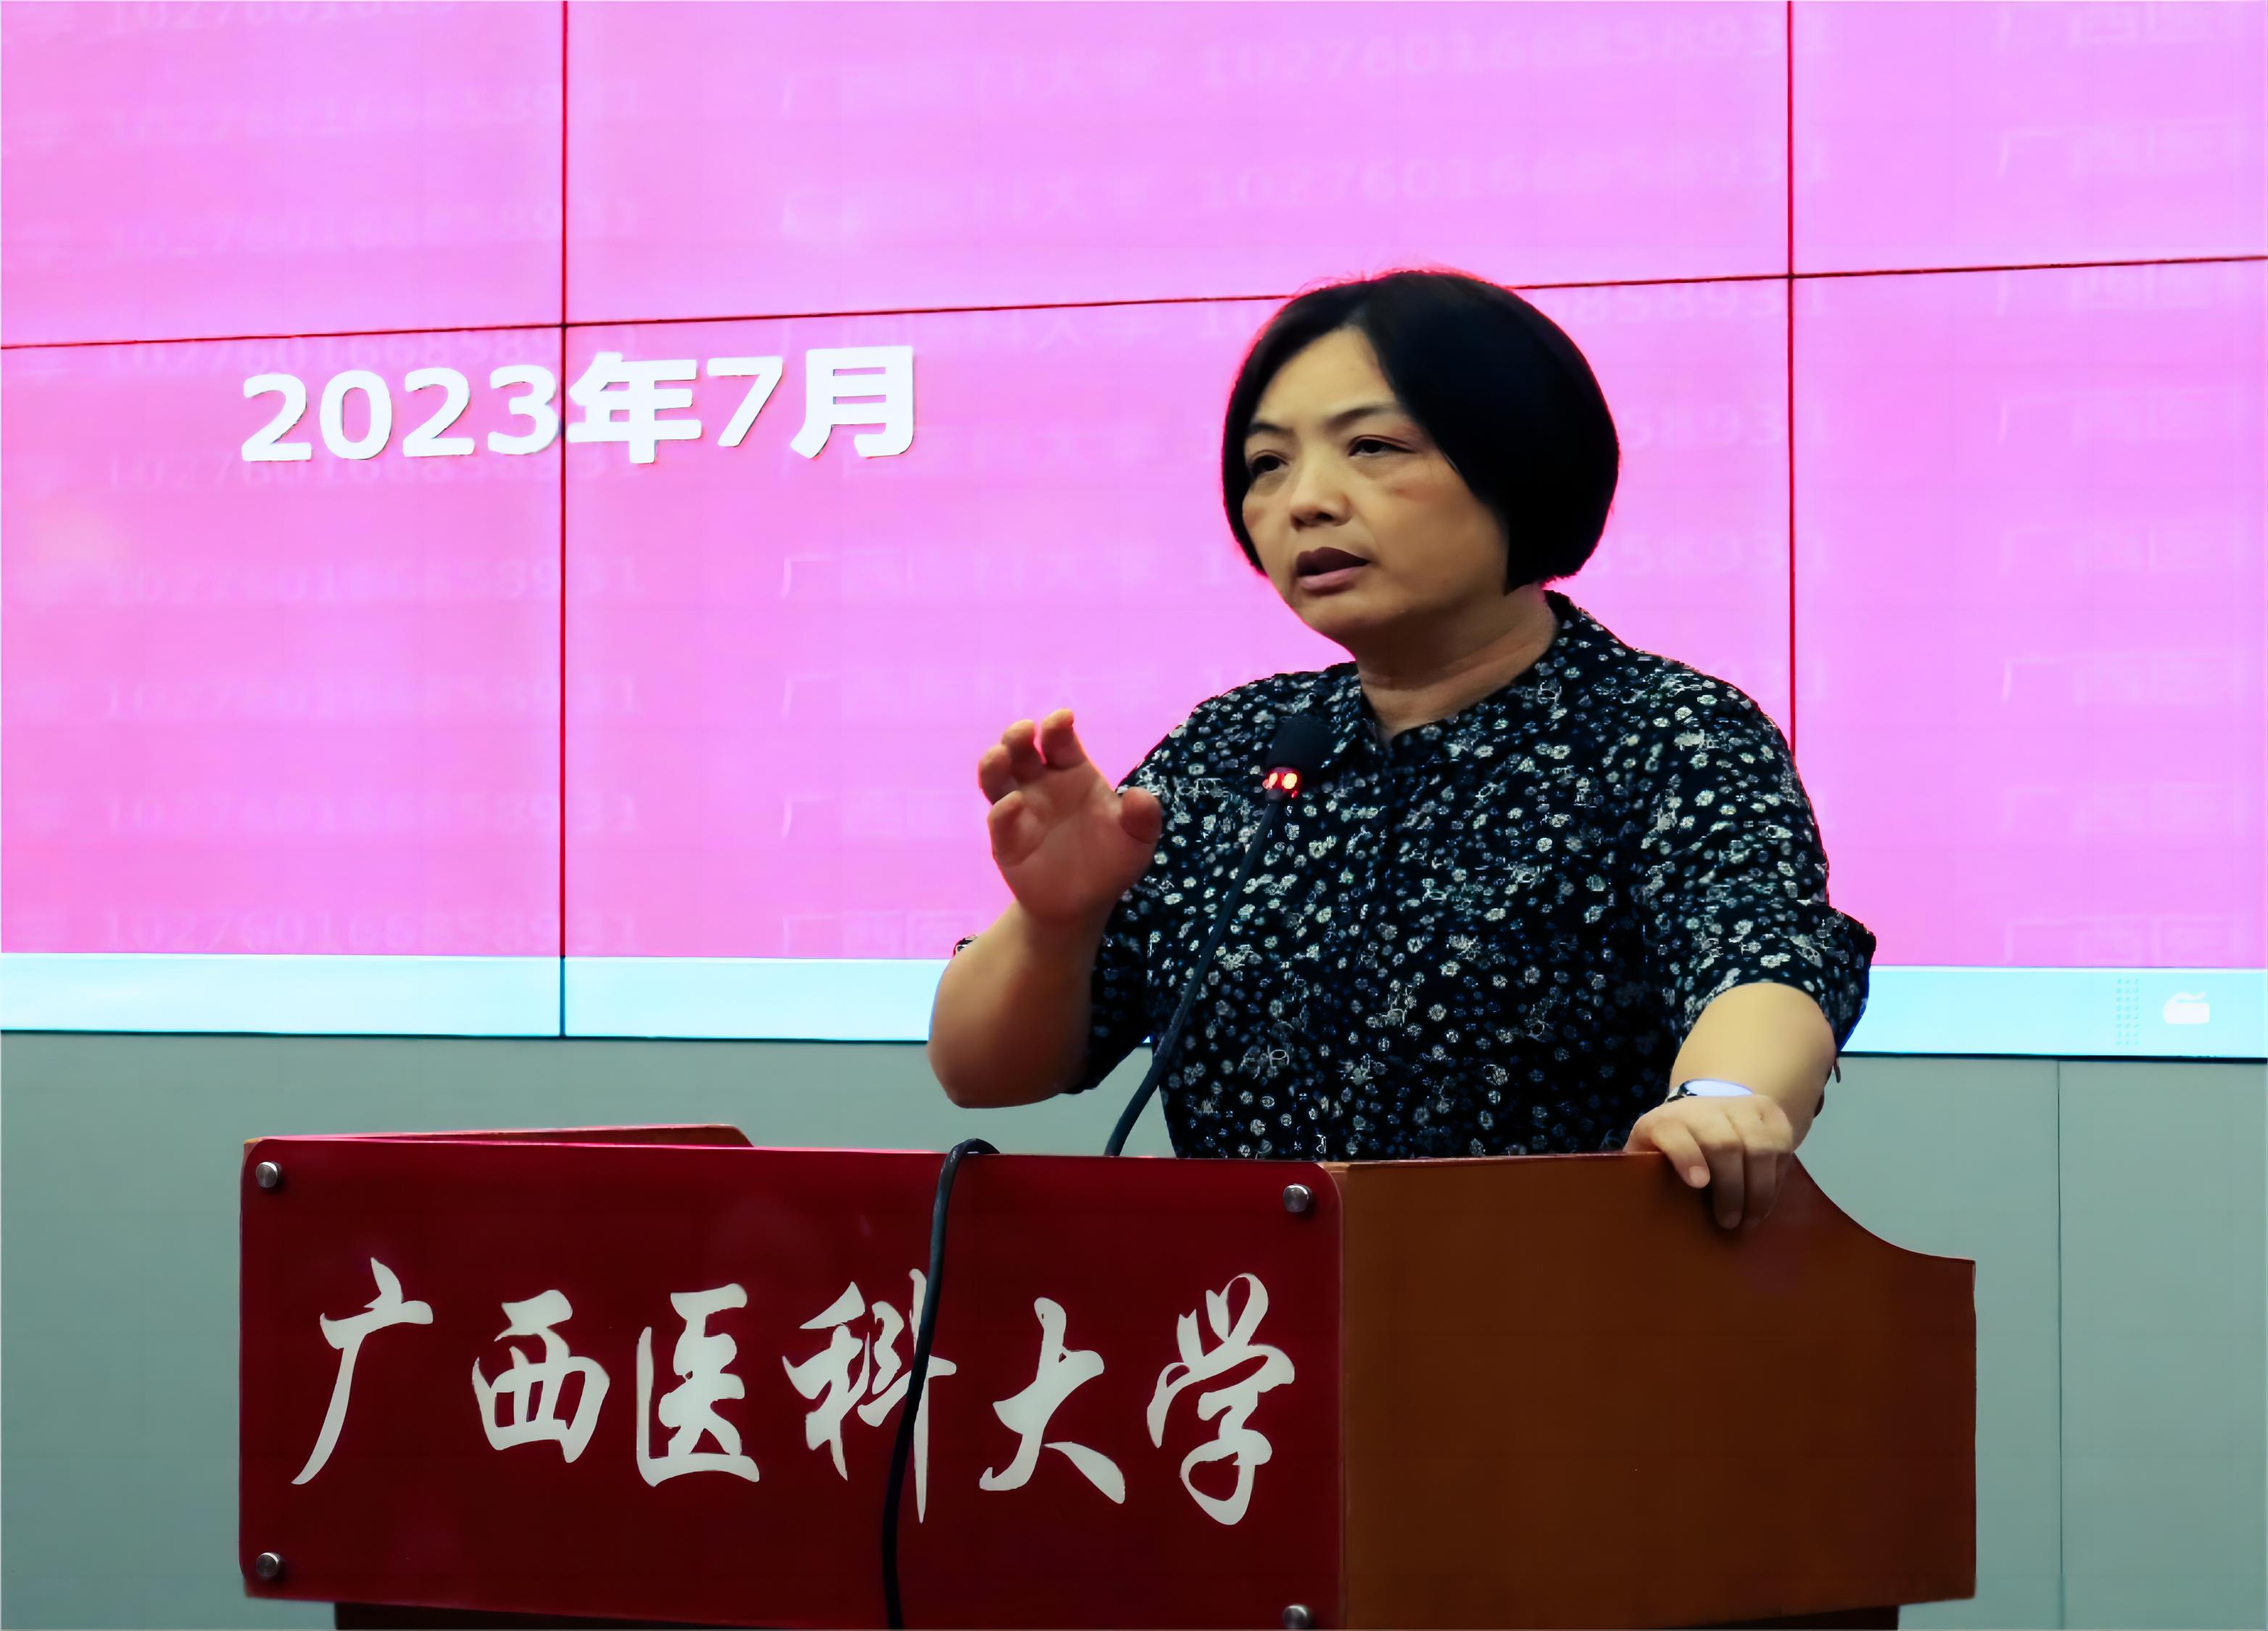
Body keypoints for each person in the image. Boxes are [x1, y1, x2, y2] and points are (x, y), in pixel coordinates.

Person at [926, 268, 1876, 1230]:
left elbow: (1760, 961)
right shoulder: (1234, 747)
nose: (1305, 502)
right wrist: (1056, 922)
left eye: (1373, 447)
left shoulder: (1663, 730)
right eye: (1267, 464)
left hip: (1551, 1295)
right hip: (1252, 1311)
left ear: (1519, 458)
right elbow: (982, 1073)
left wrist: (1720, 1100)